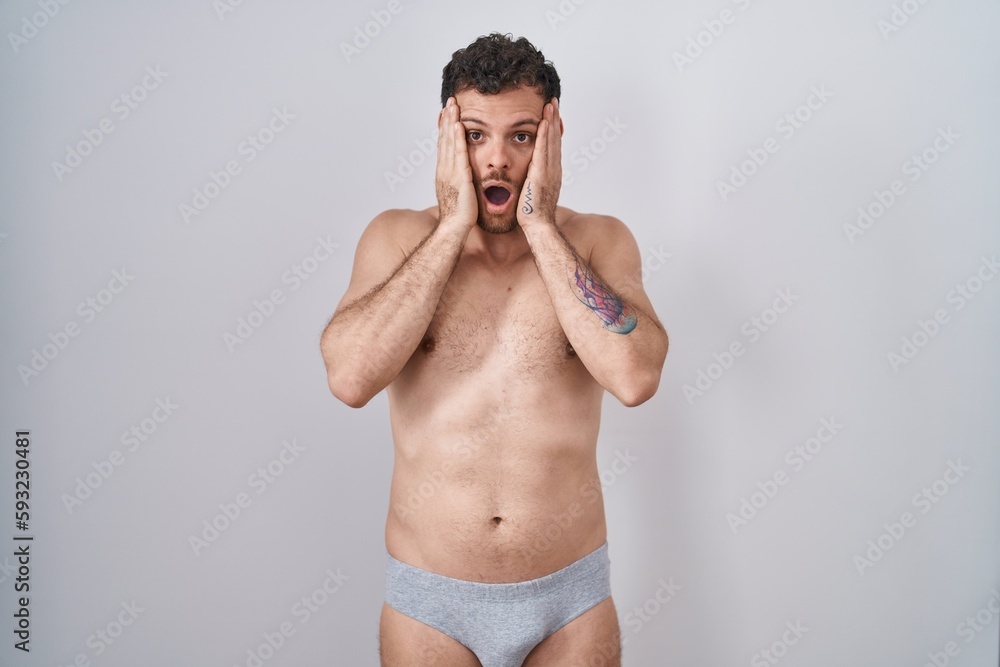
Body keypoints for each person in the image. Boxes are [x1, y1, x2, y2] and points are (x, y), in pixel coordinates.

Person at [320, 32, 667, 667]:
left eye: (523, 135)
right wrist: (452, 223)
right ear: (447, 135)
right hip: (431, 604)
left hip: (570, 601)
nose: (497, 161)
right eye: (475, 135)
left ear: (554, 136)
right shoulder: (398, 238)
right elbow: (349, 378)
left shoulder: (598, 242)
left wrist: (539, 223)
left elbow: (635, 375)